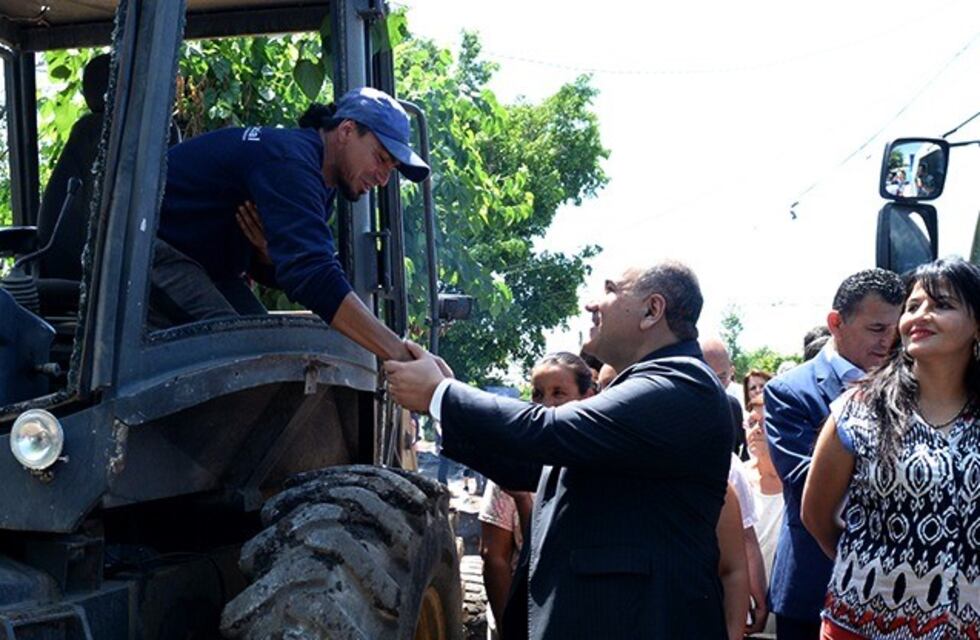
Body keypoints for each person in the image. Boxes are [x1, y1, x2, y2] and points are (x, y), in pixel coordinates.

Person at [386, 261, 739, 639]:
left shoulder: (680, 383)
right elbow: (538, 467)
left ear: (652, 311)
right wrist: (446, 398)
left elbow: (548, 430)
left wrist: (442, 395)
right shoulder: (651, 385)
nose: (591, 303)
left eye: (609, 289)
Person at [150, 87, 428, 361]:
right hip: (151, 251)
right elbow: (314, 275)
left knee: (270, 351)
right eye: (380, 159)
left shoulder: (319, 181)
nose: (383, 179)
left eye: (390, 169)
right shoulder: (290, 162)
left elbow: (285, 266)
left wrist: (267, 256)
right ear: (346, 131)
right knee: (240, 357)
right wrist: (397, 353)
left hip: (209, 269)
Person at [802, 257, 980, 639]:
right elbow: (815, 514)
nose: (921, 315)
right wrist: (872, 567)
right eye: (913, 306)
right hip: (862, 625)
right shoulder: (859, 410)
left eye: (942, 305)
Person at [764, 268, 905, 640]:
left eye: (896, 329)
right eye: (877, 329)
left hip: (895, 593)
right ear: (836, 323)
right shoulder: (789, 391)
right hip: (813, 586)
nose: (889, 342)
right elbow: (802, 479)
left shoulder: (912, 386)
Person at [480, 353, 595, 639]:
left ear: (588, 396)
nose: (547, 405)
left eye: (559, 393)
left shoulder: (599, 465)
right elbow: (494, 557)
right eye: (538, 394)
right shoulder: (515, 465)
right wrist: (513, 629)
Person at [744, 394, 783, 639]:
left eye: (765, 423)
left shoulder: (797, 484)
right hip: (745, 603)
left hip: (782, 606)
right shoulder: (737, 478)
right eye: (752, 422)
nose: (757, 430)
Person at [702, 337, 749, 459]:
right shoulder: (679, 404)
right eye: (709, 376)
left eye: (722, 377)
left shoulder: (734, 405)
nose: (716, 384)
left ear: (731, 371)